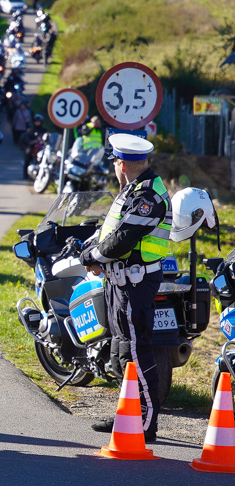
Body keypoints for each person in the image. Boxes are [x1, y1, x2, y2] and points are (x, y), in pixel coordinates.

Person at [79, 134, 172, 442]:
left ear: (121, 163)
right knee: (121, 351)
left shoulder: (149, 196)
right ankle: (127, 413)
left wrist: (94, 257)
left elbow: (124, 239)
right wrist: (91, 251)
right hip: (120, 280)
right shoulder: (133, 190)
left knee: (137, 349)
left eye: (115, 163)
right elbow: (111, 231)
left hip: (136, 282)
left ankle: (146, 421)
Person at [19, 113, 47, 179]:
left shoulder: (44, 130)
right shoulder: (31, 130)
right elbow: (27, 139)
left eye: (39, 121)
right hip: (32, 147)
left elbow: (48, 139)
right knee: (28, 157)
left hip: (41, 148)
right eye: (36, 121)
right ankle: (25, 175)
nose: (37, 123)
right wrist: (33, 142)